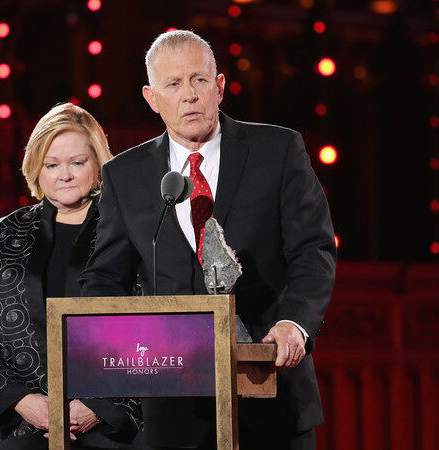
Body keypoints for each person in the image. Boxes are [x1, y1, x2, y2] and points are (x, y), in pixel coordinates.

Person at [79, 31, 337, 449]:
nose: (189, 96)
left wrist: (294, 323)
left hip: (271, 394)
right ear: (151, 97)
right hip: (172, 410)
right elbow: (104, 280)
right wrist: (108, 359)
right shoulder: (124, 177)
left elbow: (313, 251)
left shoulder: (279, 150)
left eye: (199, 80)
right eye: (173, 84)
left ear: (219, 87)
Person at [0, 103, 140, 450]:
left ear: (99, 165)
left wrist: (99, 407)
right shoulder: (0, 237)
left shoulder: (131, 233)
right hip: (18, 429)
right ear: (37, 169)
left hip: (109, 431)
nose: (63, 175)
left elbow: (157, 332)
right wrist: (22, 402)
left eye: (77, 163)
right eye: (52, 165)